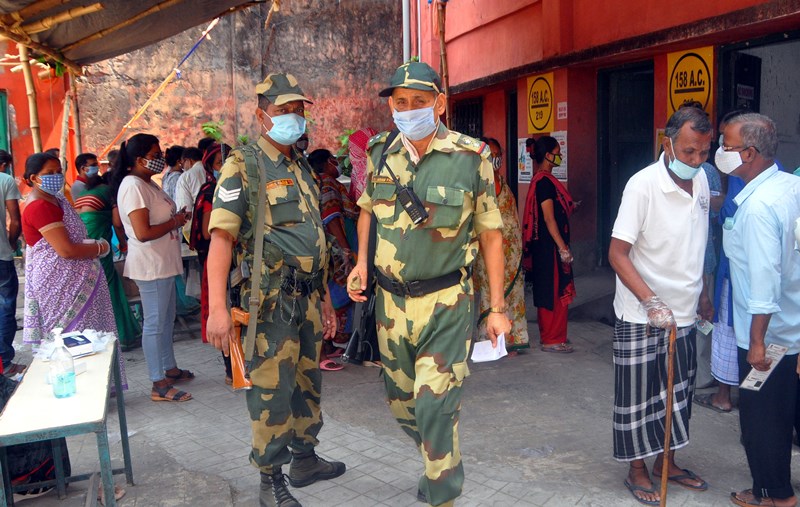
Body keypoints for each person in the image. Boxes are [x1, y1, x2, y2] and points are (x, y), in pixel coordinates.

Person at [347, 61, 511, 507]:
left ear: (439, 103)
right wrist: (360, 263)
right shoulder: (380, 151)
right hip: (390, 303)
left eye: (419, 102)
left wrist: (497, 308)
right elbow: (366, 210)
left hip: (447, 302)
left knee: (435, 406)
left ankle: (443, 492)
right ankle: (439, 462)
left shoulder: (471, 156)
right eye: (400, 102)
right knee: (403, 403)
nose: (408, 109)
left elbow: (491, 233)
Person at [205, 73, 345, 507]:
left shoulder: (299, 164)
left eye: (298, 110)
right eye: (283, 110)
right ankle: (270, 481)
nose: (293, 118)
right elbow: (222, 240)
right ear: (261, 114)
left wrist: (324, 300)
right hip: (270, 301)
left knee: (307, 381)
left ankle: (304, 458)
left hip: (306, 297)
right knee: (271, 390)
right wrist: (216, 309)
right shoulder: (244, 165)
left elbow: (312, 240)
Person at [608, 106, 713, 505]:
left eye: (704, 151)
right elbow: (618, 253)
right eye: (689, 152)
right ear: (666, 143)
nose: (697, 161)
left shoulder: (701, 180)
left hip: (684, 311)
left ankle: (666, 463)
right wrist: (651, 301)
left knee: (677, 394)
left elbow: (699, 241)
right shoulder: (642, 185)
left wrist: (703, 293)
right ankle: (636, 469)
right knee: (637, 396)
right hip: (641, 312)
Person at [719, 113, 800, 507]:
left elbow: (764, 282)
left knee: (761, 421)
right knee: (787, 412)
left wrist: (755, 344)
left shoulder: (758, 207)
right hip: (793, 329)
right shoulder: (792, 187)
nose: (721, 151)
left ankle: (774, 496)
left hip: (767, 338)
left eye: (726, 145)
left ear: (748, 153)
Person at [111, 133, 195, 403]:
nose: (160, 159)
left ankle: (169, 368)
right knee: (155, 324)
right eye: (156, 155)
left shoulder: (150, 184)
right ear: (139, 159)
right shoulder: (133, 185)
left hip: (164, 263)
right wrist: (176, 222)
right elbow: (143, 232)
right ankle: (158, 382)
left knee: (166, 319)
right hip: (151, 266)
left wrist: (177, 218)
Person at [21, 152, 118, 343]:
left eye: (59, 171)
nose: (57, 176)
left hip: (77, 281)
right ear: (33, 178)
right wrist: (101, 247)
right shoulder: (40, 206)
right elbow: (67, 250)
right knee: (74, 343)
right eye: (50, 172)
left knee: (94, 341)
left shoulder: (57, 199)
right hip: (59, 285)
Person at [74, 168, 141, 350]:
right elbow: (118, 223)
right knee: (108, 286)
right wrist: (123, 242)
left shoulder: (87, 191)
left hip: (81, 245)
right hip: (97, 245)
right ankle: (121, 335)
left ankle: (97, 334)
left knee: (91, 290)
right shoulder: (110, 192)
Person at [474, 137, 529, 353]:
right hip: (489, 252)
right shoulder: (478, 184)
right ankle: (491, 343)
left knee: (514, 295)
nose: (495, 160)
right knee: (491, 296)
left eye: (498, 155)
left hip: (512, 252)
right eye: (491, 155)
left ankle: (513, 340)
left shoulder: (502, 181)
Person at [522, 135, 576, 353]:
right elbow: (548, 217)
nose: (559, 156)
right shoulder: (544, 182)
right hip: (549, 246)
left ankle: (553, 336)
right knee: (553, 291)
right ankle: (552, 339)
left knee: (549, 289)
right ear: (547, 156)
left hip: (545, 245)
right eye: (557, 152)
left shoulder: (542, 180)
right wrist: (562, 247)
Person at [189, 142, 233, 384]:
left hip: (237, 262)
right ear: (210, 167)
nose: (225, 167)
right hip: (220, 260)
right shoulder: (211, 191)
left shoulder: (232, 188)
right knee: (224, 309)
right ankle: (231, 369)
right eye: (219, 163)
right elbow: (208, 232)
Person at [308, 149, 357, 361]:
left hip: (332, 245)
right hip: (337, 247)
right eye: (334, 161)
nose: (337, 164)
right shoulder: (327, 183)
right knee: (340, 291)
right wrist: (346, 248)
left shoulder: (318, 181)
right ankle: (332, 340)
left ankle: (330, 341)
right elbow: (332, 217)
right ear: (328, 162)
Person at [0, 150, 22, 376]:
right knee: (5, 308)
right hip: (1, 255)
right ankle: (5, 363)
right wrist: (11, 242)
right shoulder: (5, 180)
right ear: (4, 164)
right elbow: (15, 220)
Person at [174, 146, 205, 233]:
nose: (182, 167)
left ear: (188, 160)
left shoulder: (186, 176)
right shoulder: (211, 170)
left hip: (196, 226)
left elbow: (185, 209)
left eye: (182, 164)